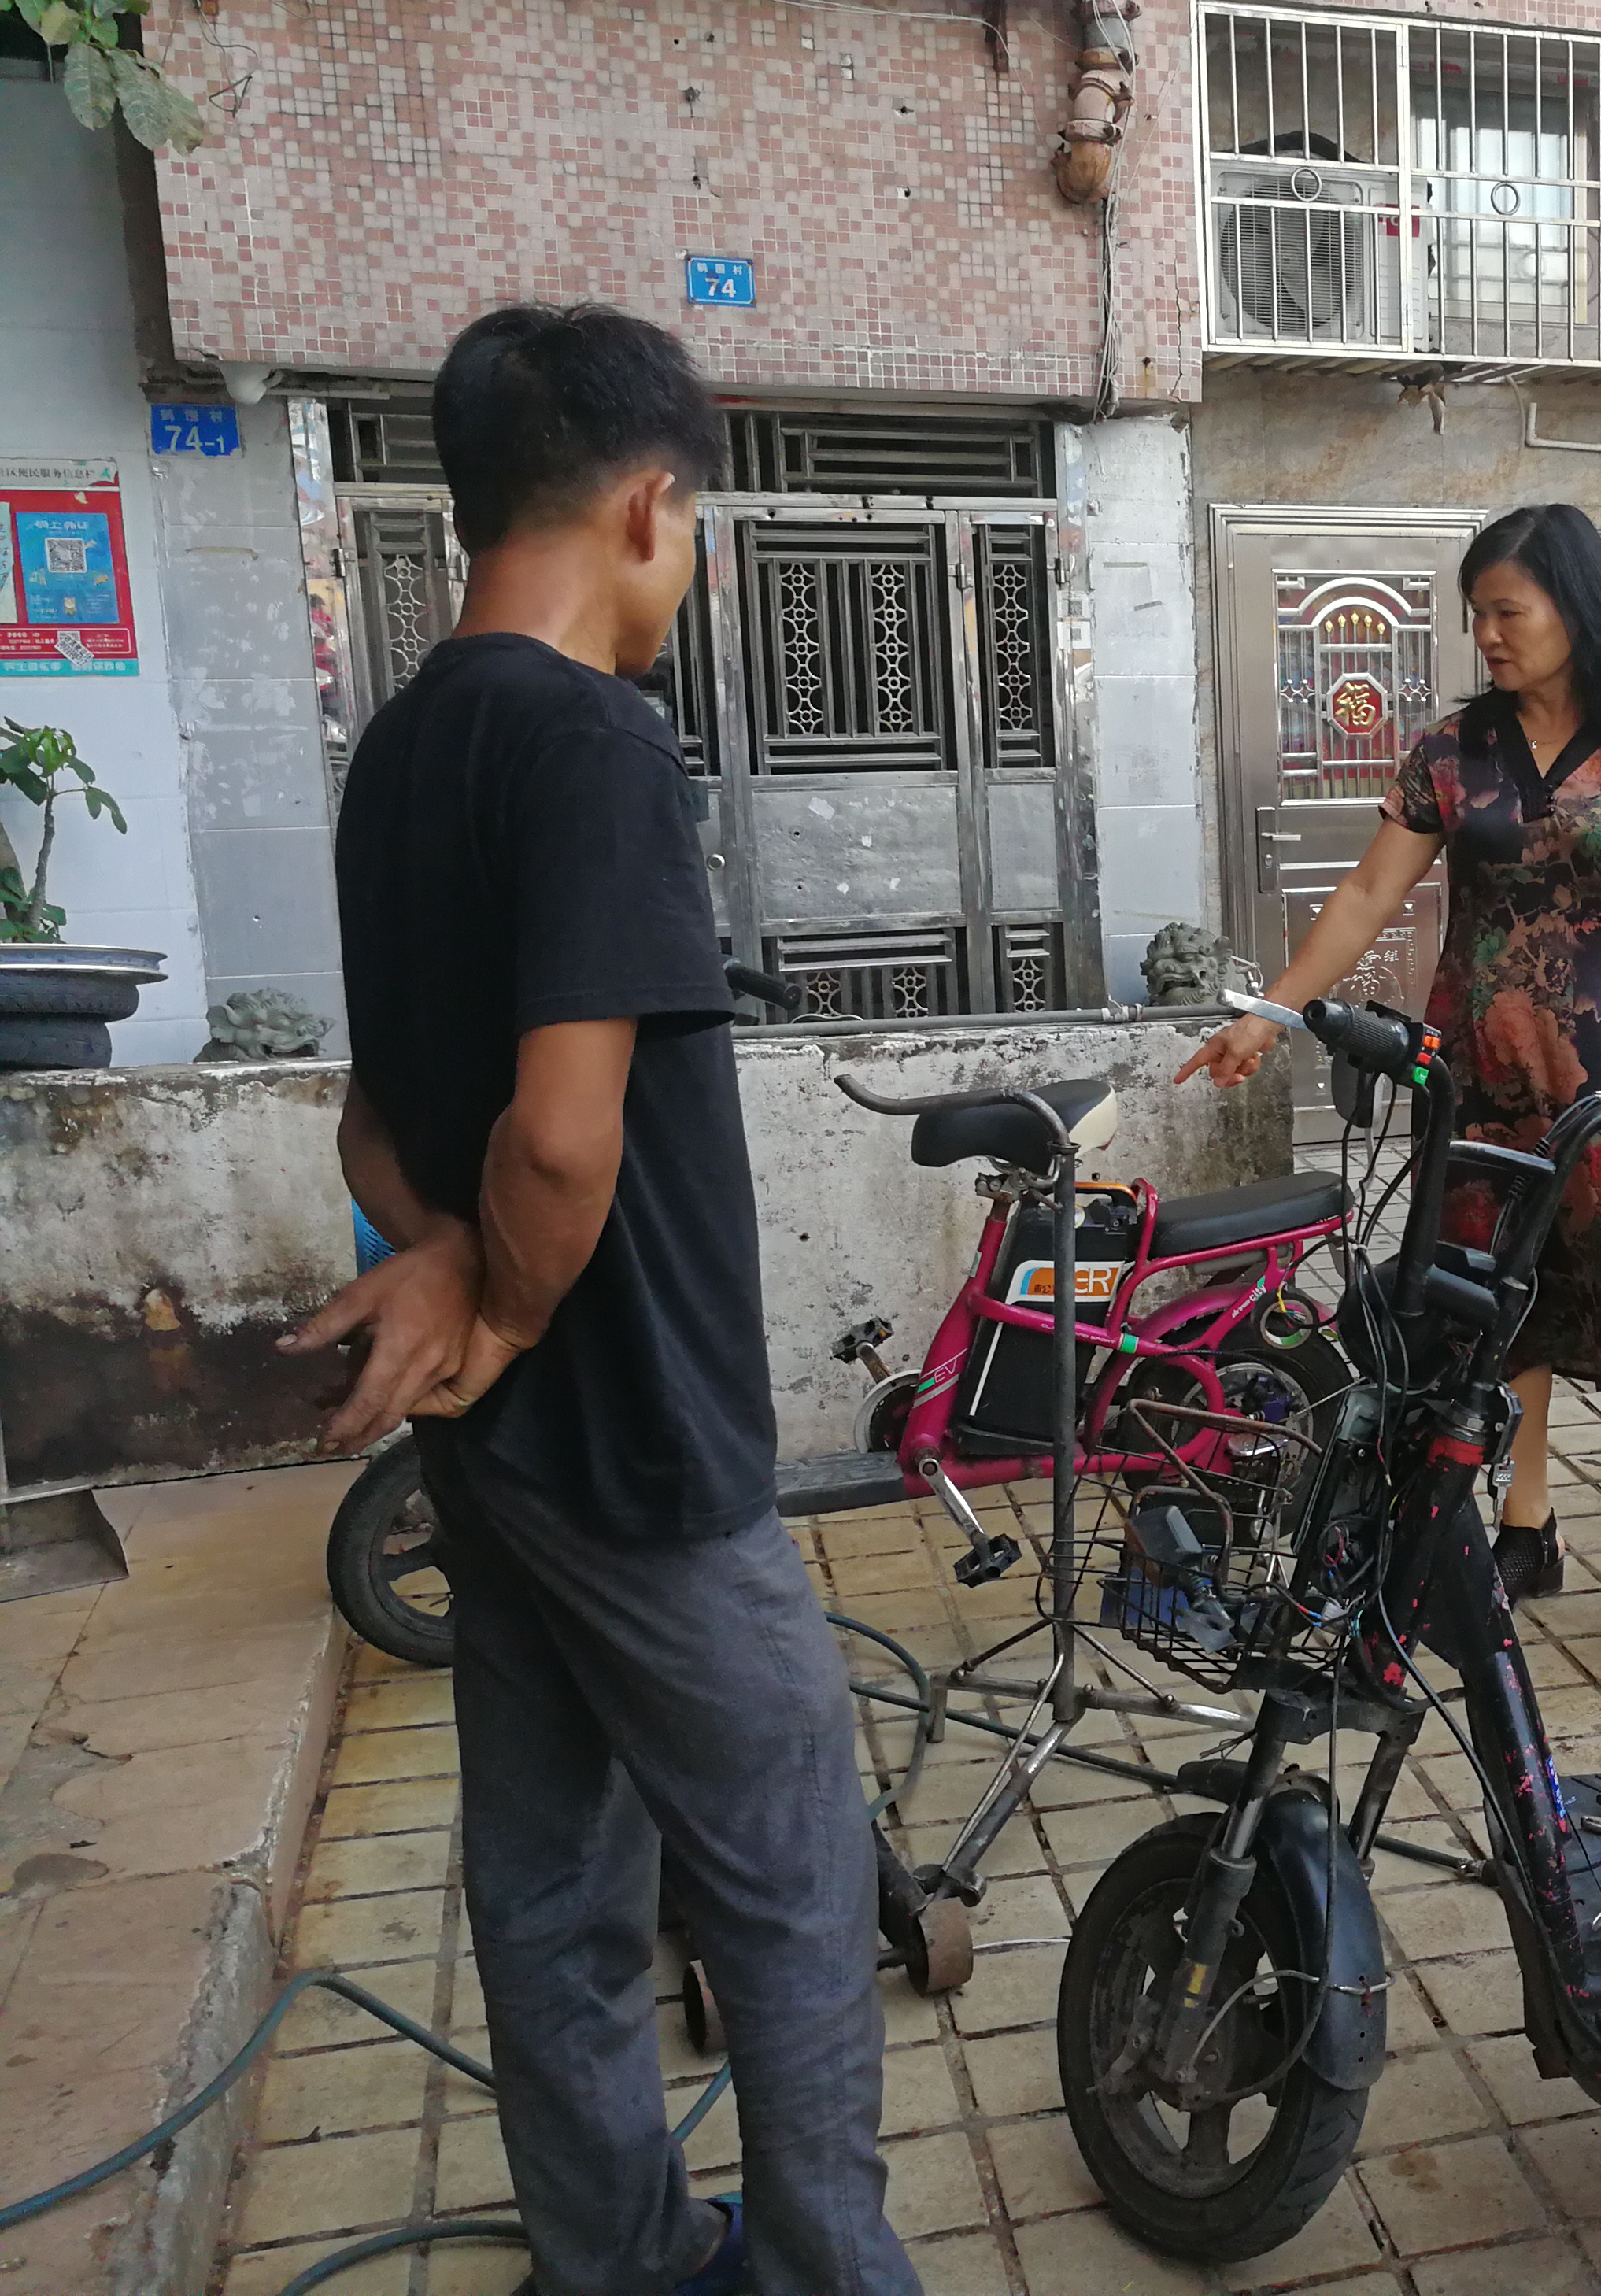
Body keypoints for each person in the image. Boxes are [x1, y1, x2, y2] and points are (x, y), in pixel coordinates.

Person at [279, 306, 920, 2296]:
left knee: (551, 1884)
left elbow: (373, 1125)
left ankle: (617, 2261)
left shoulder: (397, 749)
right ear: (650, 507)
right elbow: (561, 1144)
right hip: (643, 1444)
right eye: (697, 524)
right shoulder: (594, 745)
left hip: (495, 1463)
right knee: (793, 1879)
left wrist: (449, 1275)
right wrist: (508, 1298)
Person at [1178, 505, 1601, 1671]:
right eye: (1476, 613)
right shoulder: (1451, 748)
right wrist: (1273, 1011)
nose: (1486, 633)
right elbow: (1367, 896)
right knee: (1488, 1307)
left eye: (1505, 611)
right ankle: (1524, 1531)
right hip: (1471, 1074)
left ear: (1572, 608)